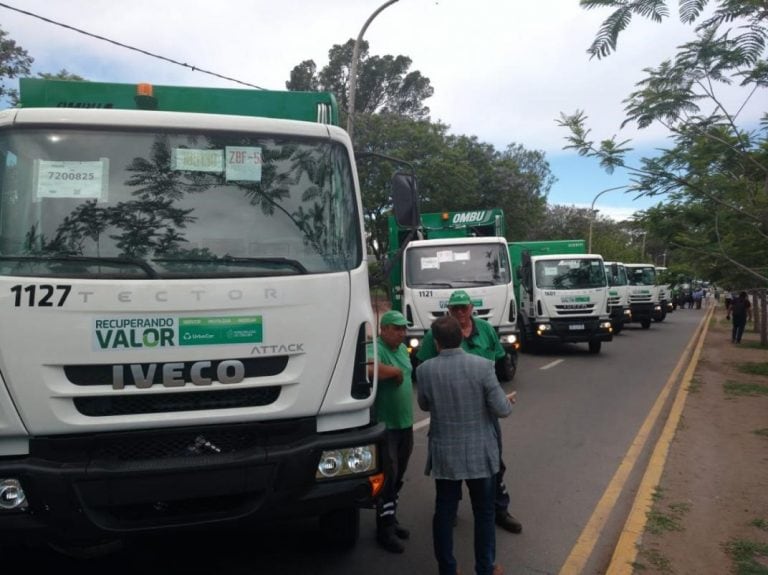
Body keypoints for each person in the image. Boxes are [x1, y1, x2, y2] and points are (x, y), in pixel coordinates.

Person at [416, 289, 522, 534]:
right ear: (449, 311)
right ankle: (450, 511)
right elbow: (425, 371)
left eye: (464, 307)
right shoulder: (440, 334)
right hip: (450, 417)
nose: (460, 312)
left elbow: (497, 363)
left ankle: (500, 510)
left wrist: (495, 395)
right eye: (455, 309)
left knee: (494, 464)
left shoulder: (485, 330)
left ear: (472, 308)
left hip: (484, 415)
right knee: (449, 472)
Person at [367, 310, 414, 553]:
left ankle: (391, 517)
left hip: (405, 425)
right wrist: (394, 372)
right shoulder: (375, 347)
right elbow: (368, 369)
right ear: (383, 329)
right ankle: (384, 528)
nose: (401, 333)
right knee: (388, 477)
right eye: (396, 328)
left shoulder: (402, 351)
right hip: (387, 427)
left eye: (403, 328)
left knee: (398, 476)